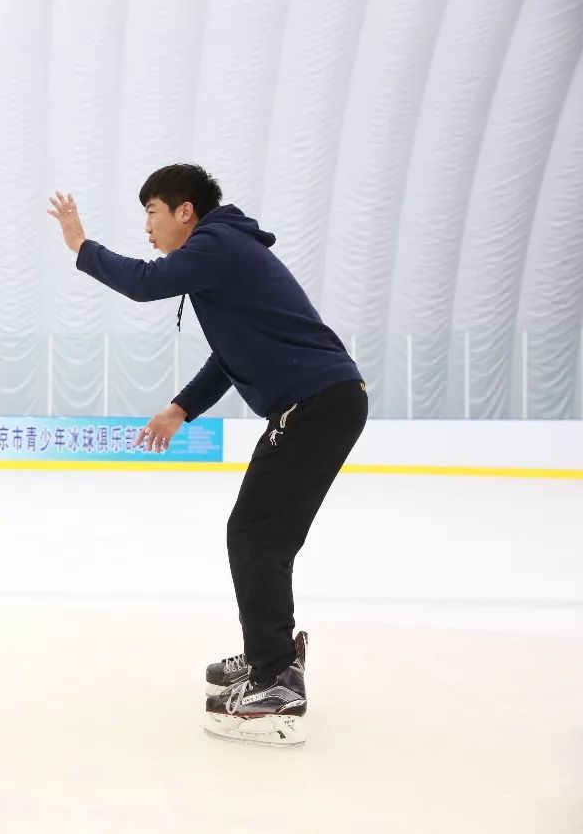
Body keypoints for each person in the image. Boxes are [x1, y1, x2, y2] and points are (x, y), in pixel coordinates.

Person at [47, 164, 366, 746]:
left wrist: (81, 247)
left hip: (315, 405)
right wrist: (179, 409)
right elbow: (229, 354)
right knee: (265, 538)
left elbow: (144, 282)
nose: (147, 226)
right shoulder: (224, 253)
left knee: (254, 536)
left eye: (151, 211)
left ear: (184, 211)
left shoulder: (216, 244)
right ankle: (270, 654)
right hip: (323, 402)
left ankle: (276, 681)